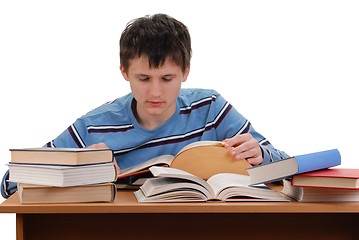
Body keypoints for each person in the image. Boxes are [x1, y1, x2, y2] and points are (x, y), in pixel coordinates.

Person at [1, 13, 289, 198]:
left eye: (167, 78)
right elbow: (9, 184)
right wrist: (80, 169)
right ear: (124, 72)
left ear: (185, 72)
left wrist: (260, 155)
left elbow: (286, 166)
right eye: (142, 78)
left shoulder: (211, 108)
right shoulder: (95, 125)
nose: (155, 91)